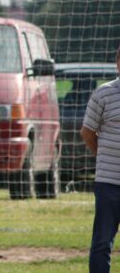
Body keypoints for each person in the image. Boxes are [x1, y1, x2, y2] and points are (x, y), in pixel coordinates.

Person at [80, 46, 120, 273]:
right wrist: (103, 156)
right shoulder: (103, 94)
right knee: (103, 243)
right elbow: (87, 132)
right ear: (118, 63)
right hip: (108, 184)